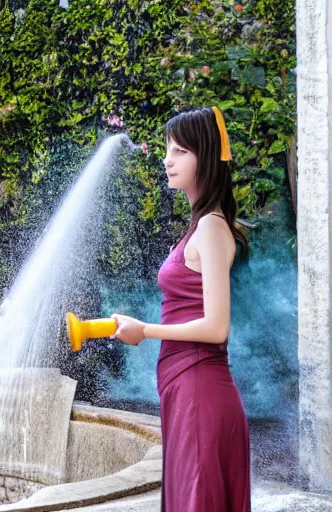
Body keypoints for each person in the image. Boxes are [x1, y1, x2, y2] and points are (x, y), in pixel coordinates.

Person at [111, 106, 251, 511]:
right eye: (167, 150)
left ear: (204, 157)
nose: (167, 160)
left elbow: (216, 327)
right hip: (185, 391)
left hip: (200, 394)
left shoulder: (211, 227)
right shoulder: (200, 225)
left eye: (179, 151)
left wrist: (145, 330)